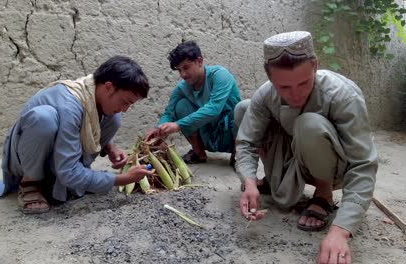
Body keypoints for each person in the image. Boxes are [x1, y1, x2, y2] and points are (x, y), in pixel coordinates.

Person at [235, 31, 377, 264]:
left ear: (315, 66)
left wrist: (341, 231)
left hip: (332, 165)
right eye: (284, 87)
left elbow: (363, 165)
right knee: (244, 108)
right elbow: (247, 141)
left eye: (304, 82)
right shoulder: (266, 94)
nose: (296, 94)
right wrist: (248, 180)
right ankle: (272, 179)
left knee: (309, 124)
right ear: (270, 78)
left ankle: (323, 195)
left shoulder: (342, 94)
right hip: (293, 152)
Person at [1, 56, 154, 214]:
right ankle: (30, 182)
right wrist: (123, 179)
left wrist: (110, 147)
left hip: (60, 159)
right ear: (108, 87)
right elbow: (69, 171)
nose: (125, 109)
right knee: (44, 119)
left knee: (114, 118)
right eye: (124, 102)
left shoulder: (92, 94)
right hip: (24, 160)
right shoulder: (71, 105)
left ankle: (75, 176)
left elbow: (90, 123)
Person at [145, 40, 246, 164]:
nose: (183, 74)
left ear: (199, 61)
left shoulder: (220, 75)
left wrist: (178, 125)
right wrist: (159, 129)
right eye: (179, 70)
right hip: (207, 135)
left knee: (243, 108)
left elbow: (214, 108)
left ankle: (238, 157)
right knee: (181, 105)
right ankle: (198, 153)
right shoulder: (182, 87)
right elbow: (169, 113)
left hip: (229, 135)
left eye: (186, 67)